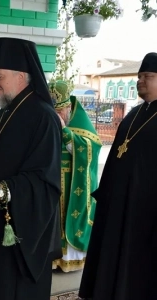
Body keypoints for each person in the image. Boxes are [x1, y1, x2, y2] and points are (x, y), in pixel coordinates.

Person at [0, 37, 62, 300]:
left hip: (20, 229)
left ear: (21, 75)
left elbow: (45, 180)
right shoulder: (5, 112)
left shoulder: (44, 117)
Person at [79, 53, 157, 300]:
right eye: (139, 76)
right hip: (116, 204)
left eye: (148, 76)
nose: (141, 81)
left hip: (145, 211)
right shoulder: (132, 115)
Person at [48, 80, 101, 273]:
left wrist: (66, 132)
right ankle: (52, 258)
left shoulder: (80, 119)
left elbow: (92, 147)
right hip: (52, 179)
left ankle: (69, 260)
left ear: (68, 107)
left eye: (60, 112)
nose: (58, 117)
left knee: (68, 218)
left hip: (73, 181)